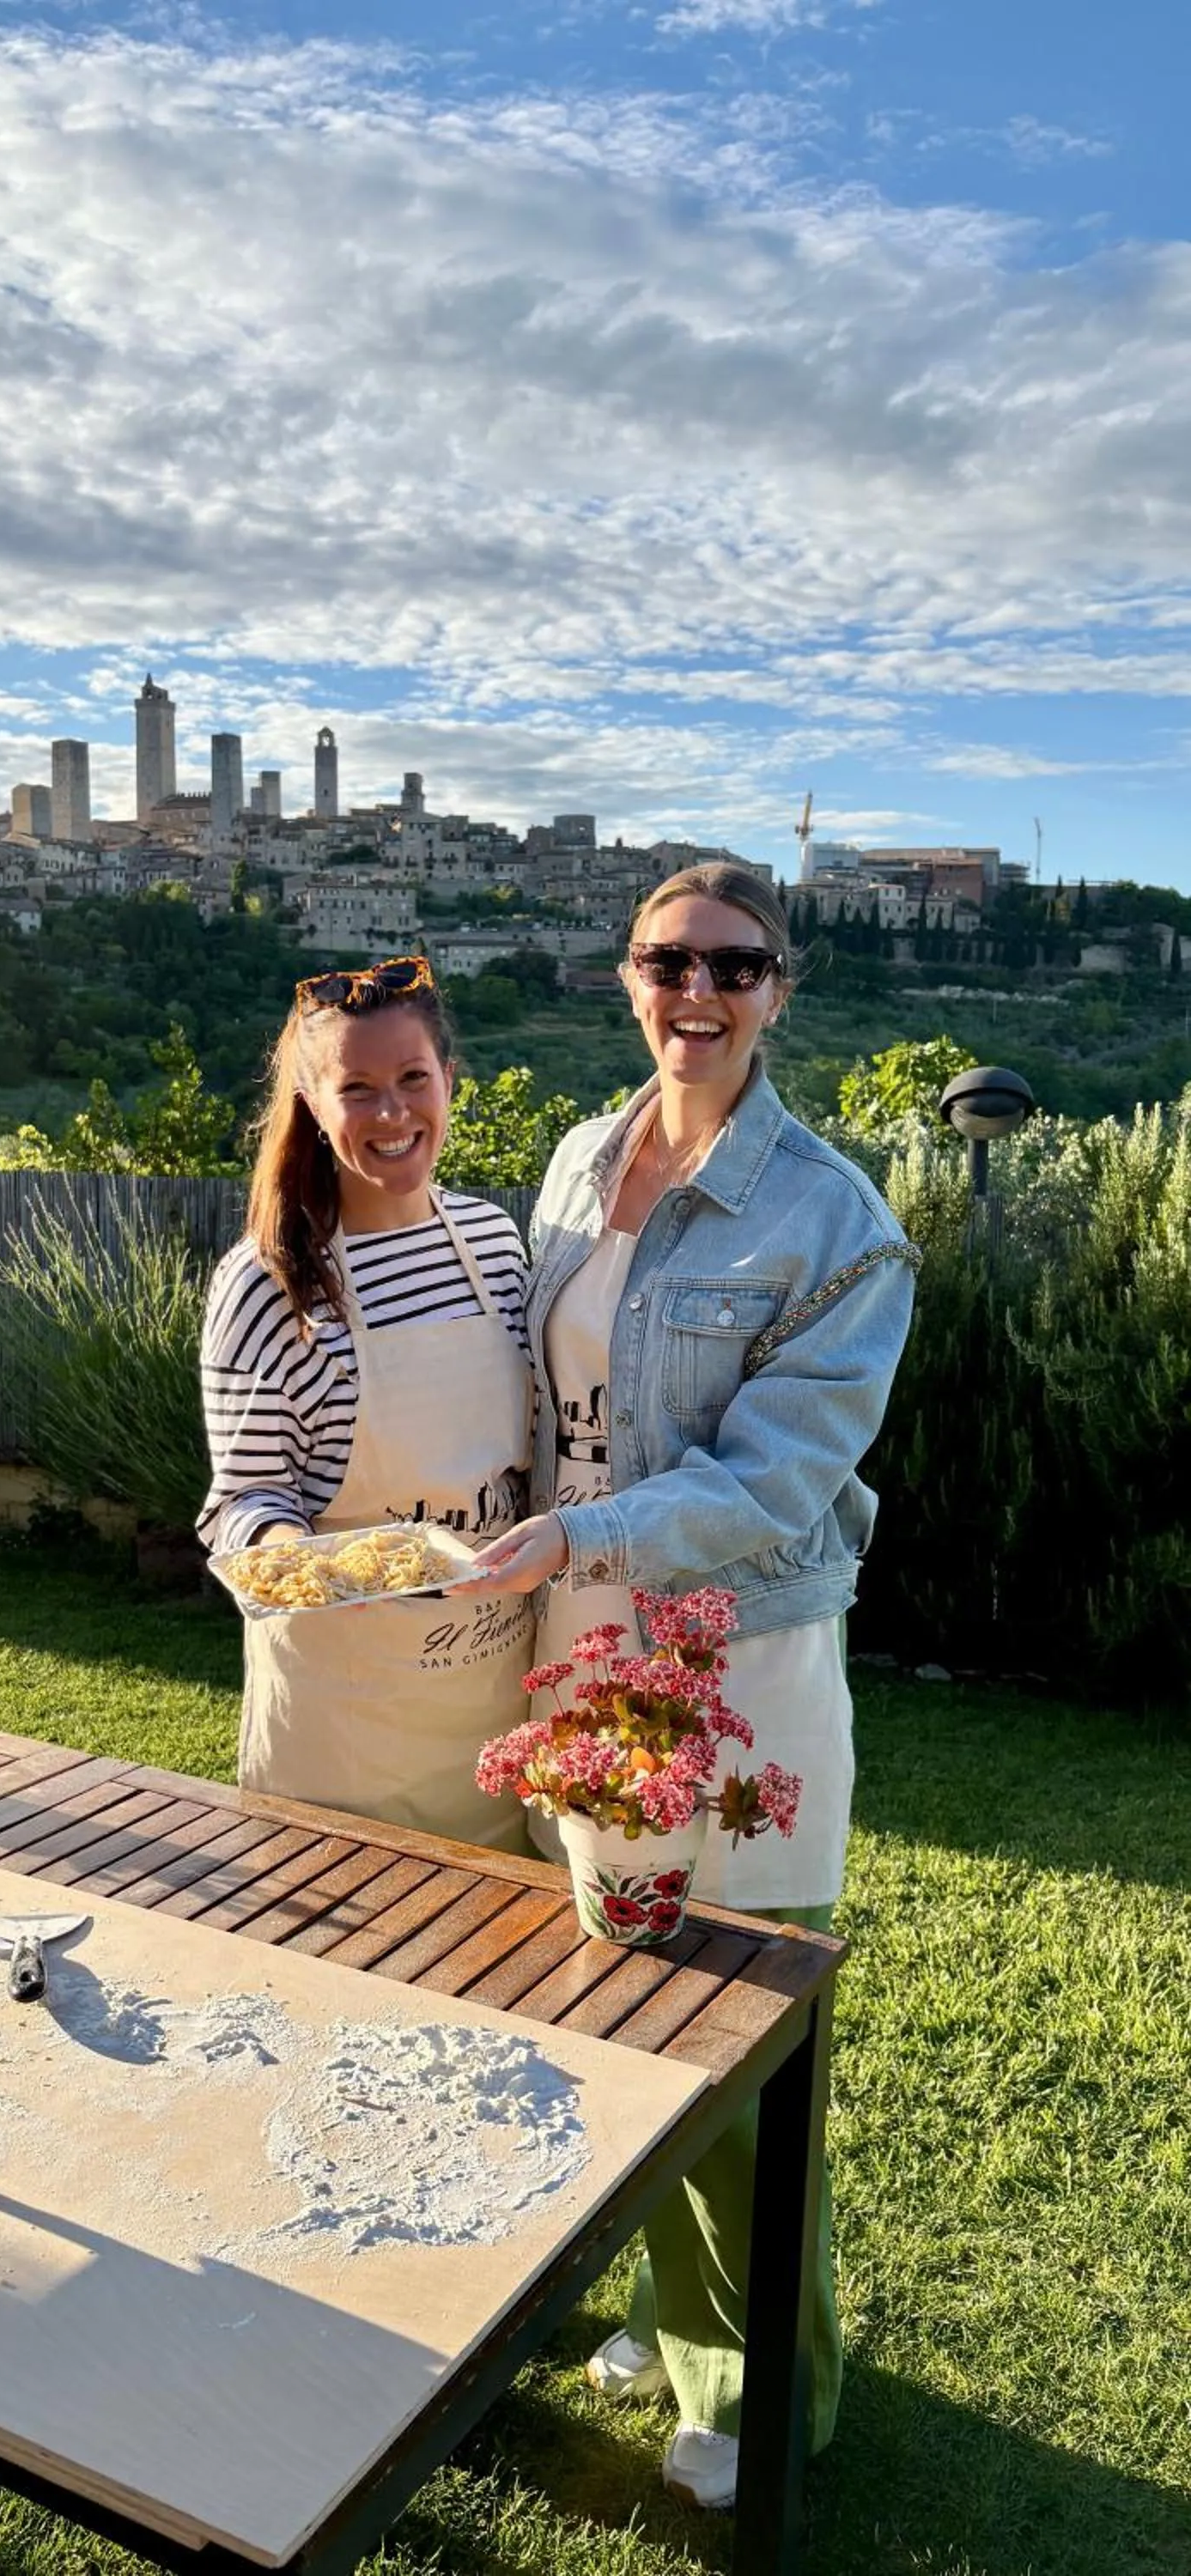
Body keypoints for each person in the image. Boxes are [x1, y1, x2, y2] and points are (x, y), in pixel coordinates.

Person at [469, 864, 919, 2510]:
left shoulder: (832, 1218)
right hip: (568, 1632)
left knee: (730, 2033)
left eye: (735, 964)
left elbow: (776, 1479)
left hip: (734, 1659)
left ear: (779, 988)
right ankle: (670, 2314)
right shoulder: (583, 1159)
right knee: (612, 2004)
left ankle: (764, 2383)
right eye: (669, 960)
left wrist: (575, 1533)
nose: (697, 991)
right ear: (626, 974)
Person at [197, 954, 535, 1848]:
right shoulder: (271, 1286)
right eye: (357, 1088)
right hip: (345, 1740)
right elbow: (243, 1498)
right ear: (311, 1103)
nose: (392, 1113)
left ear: (448, 1081)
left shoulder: (497, 1245)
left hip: (493, 1726)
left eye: (412, 1079)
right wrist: (301, 1561)